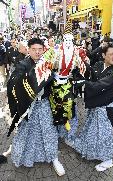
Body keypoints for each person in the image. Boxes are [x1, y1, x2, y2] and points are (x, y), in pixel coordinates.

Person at [6, 38, 65, 176]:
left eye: (40, 49)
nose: (37, 52)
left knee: (49, 131)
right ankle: (23, 156)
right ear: (29, 49)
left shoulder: (49, 63)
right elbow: (13, 83)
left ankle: (54, 158)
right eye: (34, 49)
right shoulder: (22, 64)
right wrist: (34, 72)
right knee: (26, 132)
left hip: (44, 103)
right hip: (29, 105)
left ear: (43, 50)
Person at [70, 43, 113, 172]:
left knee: (105, 134)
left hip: (106, 107)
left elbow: (97, 85)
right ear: (104, 55)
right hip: (98, 104)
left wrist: (81, 82)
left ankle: (108, 159)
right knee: (93, 130)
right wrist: (80, 63)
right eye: (111, 54)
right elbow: (90, 74)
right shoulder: (100, 65)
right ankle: (91, 151)